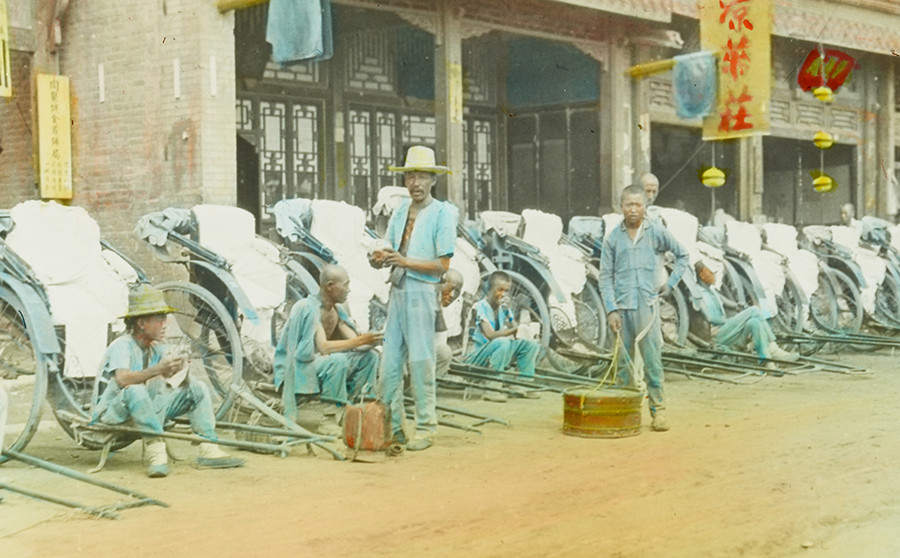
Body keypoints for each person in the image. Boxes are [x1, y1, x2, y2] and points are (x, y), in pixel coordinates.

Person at [92, 285, 245, 478]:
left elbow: (170, 377)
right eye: (159, 319)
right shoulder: (122, 345)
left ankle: (209, 448)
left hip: (149, 407)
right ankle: (156, 454)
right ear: (141, 323)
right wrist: (158, 370)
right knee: (135, 390)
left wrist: (178, 366)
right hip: (115, 412)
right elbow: (122, 379)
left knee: (196, 388)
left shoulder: (156, 346)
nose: (165, 324)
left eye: (164, 318)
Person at [372, 145, 457, 452]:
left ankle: (426, 427)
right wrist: (379, 257)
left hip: (422, 293)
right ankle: (394, 426)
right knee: (390, 364)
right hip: (397, 292)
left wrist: (405, 261)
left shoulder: (442, 214)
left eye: (422, 176)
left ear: (433, 180)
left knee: (421, 362)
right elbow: (390, 249)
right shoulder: (399, 212)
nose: (416, 183)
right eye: (410, 176)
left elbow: (443, 266)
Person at [599, 184, 690, 432]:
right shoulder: (613, 239)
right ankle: (626, 413)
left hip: (647, 308)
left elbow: (683, 255)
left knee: (652, 362)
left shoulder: (656, 232)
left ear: (645, 207)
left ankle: (658, 412)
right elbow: (605, 277)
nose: (633, 209)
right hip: (622, 309)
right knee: (623, 365)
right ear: (621, 207)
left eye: (638, 204)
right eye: (628, 204)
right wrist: (610, 310)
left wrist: (671, 283)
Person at [273, 264, 381, 435]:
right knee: (337, 360)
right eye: (345, 285)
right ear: (330, 286)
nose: (349, 290)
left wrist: (377, 339)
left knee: (370, 357)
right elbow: (323, 347)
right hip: (300, 367)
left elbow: (357, 343)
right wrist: (360, 340)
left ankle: (354, 410)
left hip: (321, 365)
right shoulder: (308, 307)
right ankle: (328, 418)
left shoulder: (337, 311)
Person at [464, 271, 542, 401]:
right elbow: (490, 335)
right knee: (502, 342)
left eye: (506, 291)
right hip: (478, 357)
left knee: (531, 345)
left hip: (498, 353)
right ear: (490, 289)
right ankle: (492, 389)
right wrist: (513, 330)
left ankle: (522, 385)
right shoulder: (480, 307)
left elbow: (517, 333)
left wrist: (511, 316)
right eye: (500, 290)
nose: (503, 294)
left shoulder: (503, 307)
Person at [435, 269, 465, 379]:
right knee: (445, 352)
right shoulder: (426, 300)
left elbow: (439, 343)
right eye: (451, 289)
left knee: (445, 352)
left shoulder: (449, 309)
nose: (452, 295)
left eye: (457, 291)